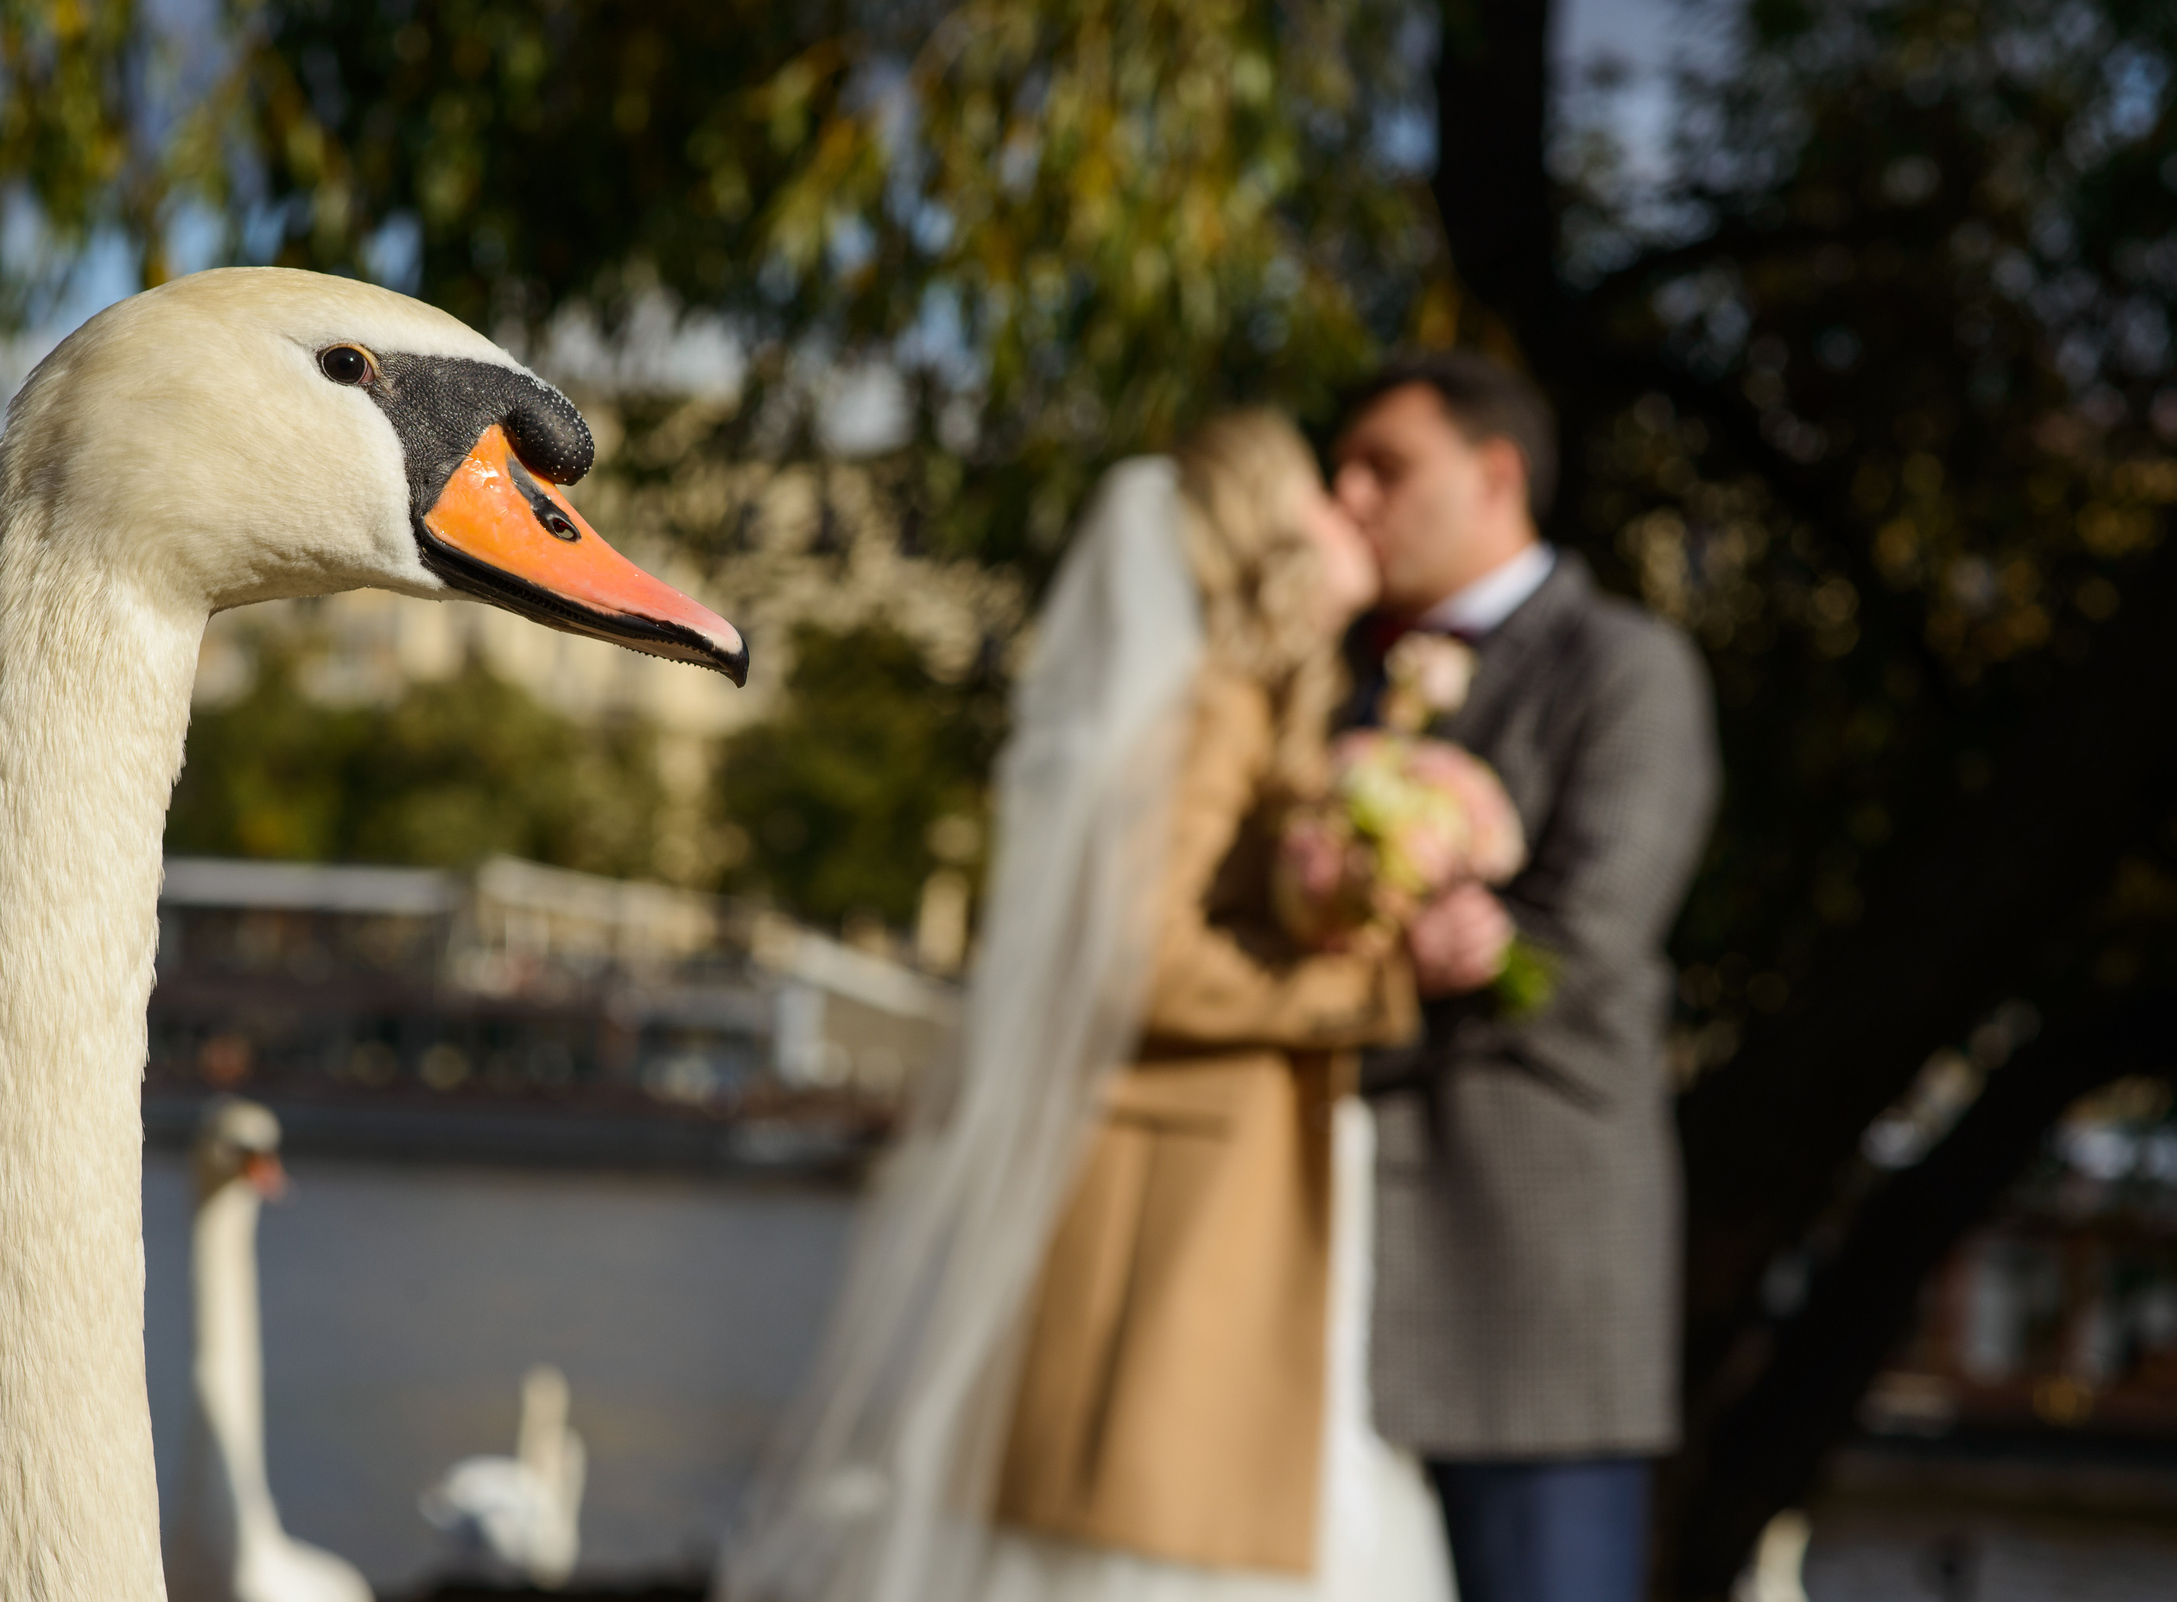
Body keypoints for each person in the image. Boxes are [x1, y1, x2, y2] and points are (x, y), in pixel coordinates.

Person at [720, 411, 1461, 1602]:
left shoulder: (1255, 700)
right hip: (1177, 1211)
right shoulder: (1215, 702)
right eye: (1325, 493)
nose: (1351, 514)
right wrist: (1368, 982)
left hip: (1223, 1188)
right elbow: (1138, 956)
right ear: (1269, 532)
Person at [1329, 354, 1720, 1602]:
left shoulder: (1623, 665)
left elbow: (1579, 942)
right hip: (1334, 1284)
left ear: (1495, 474)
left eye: (1385, 468)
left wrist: (1344, 1004)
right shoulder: (1339, 680)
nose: (1349, 498)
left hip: (1531, 1287)